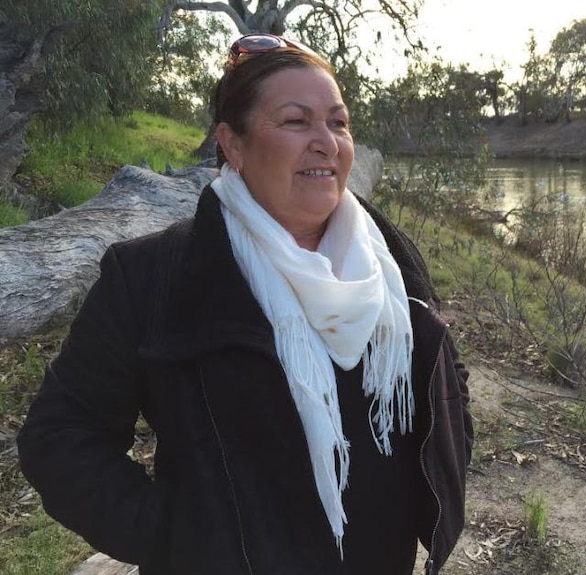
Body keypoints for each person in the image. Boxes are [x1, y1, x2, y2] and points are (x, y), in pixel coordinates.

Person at [17, 33, 473, 575]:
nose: (326, 141)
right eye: (296, 121)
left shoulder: (390, 260)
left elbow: (447, 381)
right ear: (233, 145)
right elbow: (61, 438)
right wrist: (182, 540)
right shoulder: (154, 276)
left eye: (338, 121)